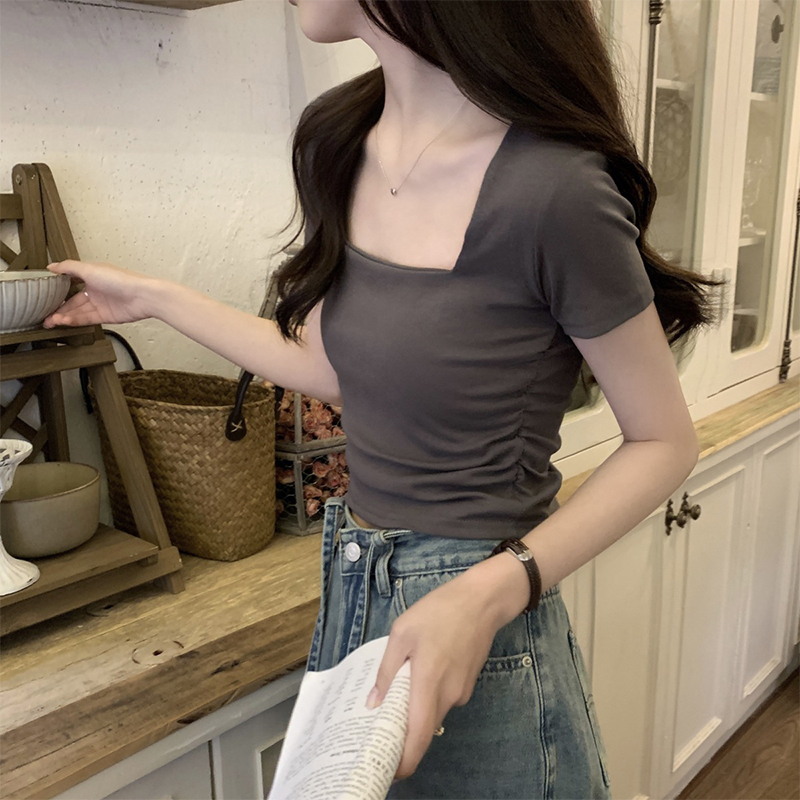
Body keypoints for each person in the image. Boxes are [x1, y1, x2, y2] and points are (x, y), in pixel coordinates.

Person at [45, 1, 724, 797]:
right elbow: (329, 366)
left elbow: (664, 441)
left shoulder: (555, 191)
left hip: (481, 618)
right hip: (355, 587)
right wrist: (154, 299)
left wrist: (489, 593)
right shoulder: (338, 142)